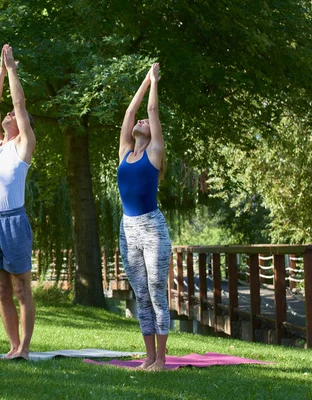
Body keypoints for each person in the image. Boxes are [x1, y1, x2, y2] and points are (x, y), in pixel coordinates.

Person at [0, 44, 36, 360]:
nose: (9, 113)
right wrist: (0, 72)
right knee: (2, 290)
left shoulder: (23, 146)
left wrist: (13, 69)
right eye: (9, 113)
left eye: (15, 115)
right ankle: (12, 346)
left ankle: (25, 349)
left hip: (14, 220)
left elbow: (18, 100)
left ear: (25, 124)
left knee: (21, 289)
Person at [117, 63, 172, 371]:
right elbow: (130, 112)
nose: (139, 121)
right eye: (138, 122)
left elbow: (151, 109)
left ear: (152, 134)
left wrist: (153, 82)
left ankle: (161, 360)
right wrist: (142, 80)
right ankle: (148, 357)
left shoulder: (155, 152)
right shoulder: (126, 152)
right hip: (128, 229)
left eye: (145, 123)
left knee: (156, 292)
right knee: (141, 294)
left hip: (152, 229)